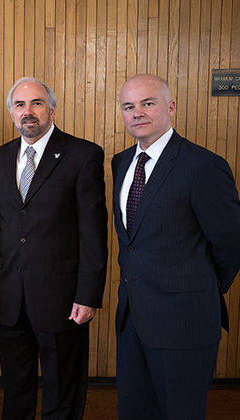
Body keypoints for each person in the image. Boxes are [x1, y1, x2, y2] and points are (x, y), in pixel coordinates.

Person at [112, 74, 240, 420]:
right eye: (128, 106)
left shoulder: (203, 166)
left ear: (170, 107)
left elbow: (230, 243)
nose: (137, 112)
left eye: (147, 103)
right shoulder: (121, 163)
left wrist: (201, 290)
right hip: (132, 321)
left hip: (185, 321)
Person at [0, 77, 108, 420]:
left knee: (62, 387)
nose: (29, 112)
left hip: (62, 296)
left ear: (51, 109)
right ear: (12, 112)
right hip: (11, 294)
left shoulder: (82, 155)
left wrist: (88, 294)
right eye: (20, 105)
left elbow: (92, 232)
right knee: (16, 386)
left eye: (37, 103)